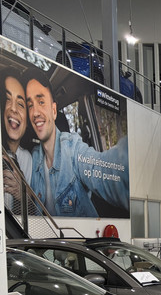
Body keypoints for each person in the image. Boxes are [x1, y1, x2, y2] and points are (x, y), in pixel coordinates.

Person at [25, 68, 129, 217]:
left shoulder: (72, 149)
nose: (35, 113)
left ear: (54, 111)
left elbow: (107, 171)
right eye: (30, 105)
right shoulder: (33, 158)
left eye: (41, 102)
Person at [2, 69, 32, 208]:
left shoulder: (27, 159)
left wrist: (23, 195)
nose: (13, 108)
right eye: (7, 99)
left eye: (20, 104)